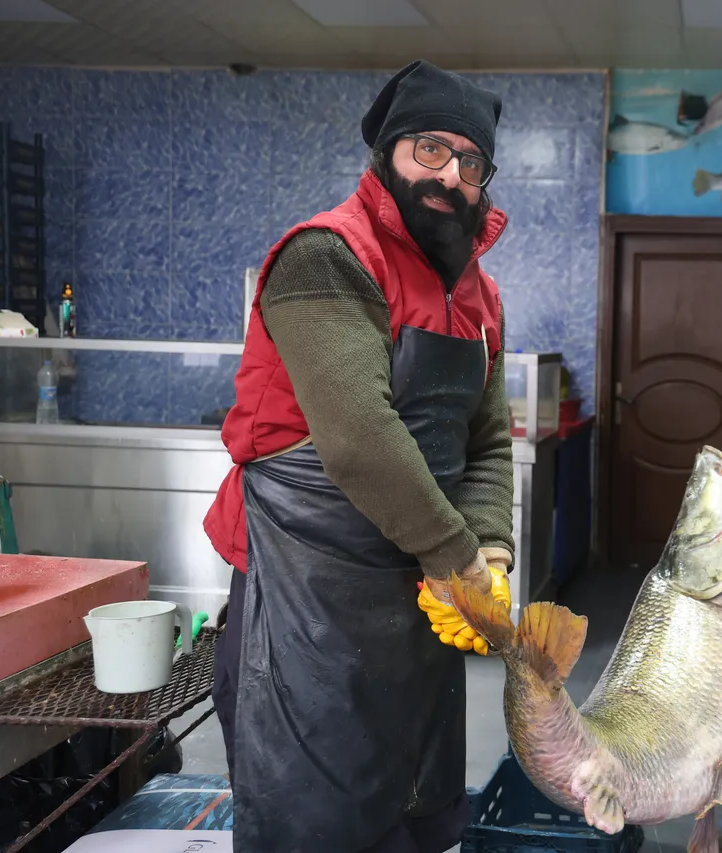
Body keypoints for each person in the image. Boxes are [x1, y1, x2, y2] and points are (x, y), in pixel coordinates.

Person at [202, 59, 516, 853]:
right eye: (430, 151)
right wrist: (457, 558)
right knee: (315, 822)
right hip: (305, 595)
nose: (450, 176)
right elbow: (357, 439)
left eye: (470, 162)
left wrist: (492, 544)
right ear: (386, 152)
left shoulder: (478, 296)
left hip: (418, 604)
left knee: (412, 812)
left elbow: (485, 439)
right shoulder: (326, 257)